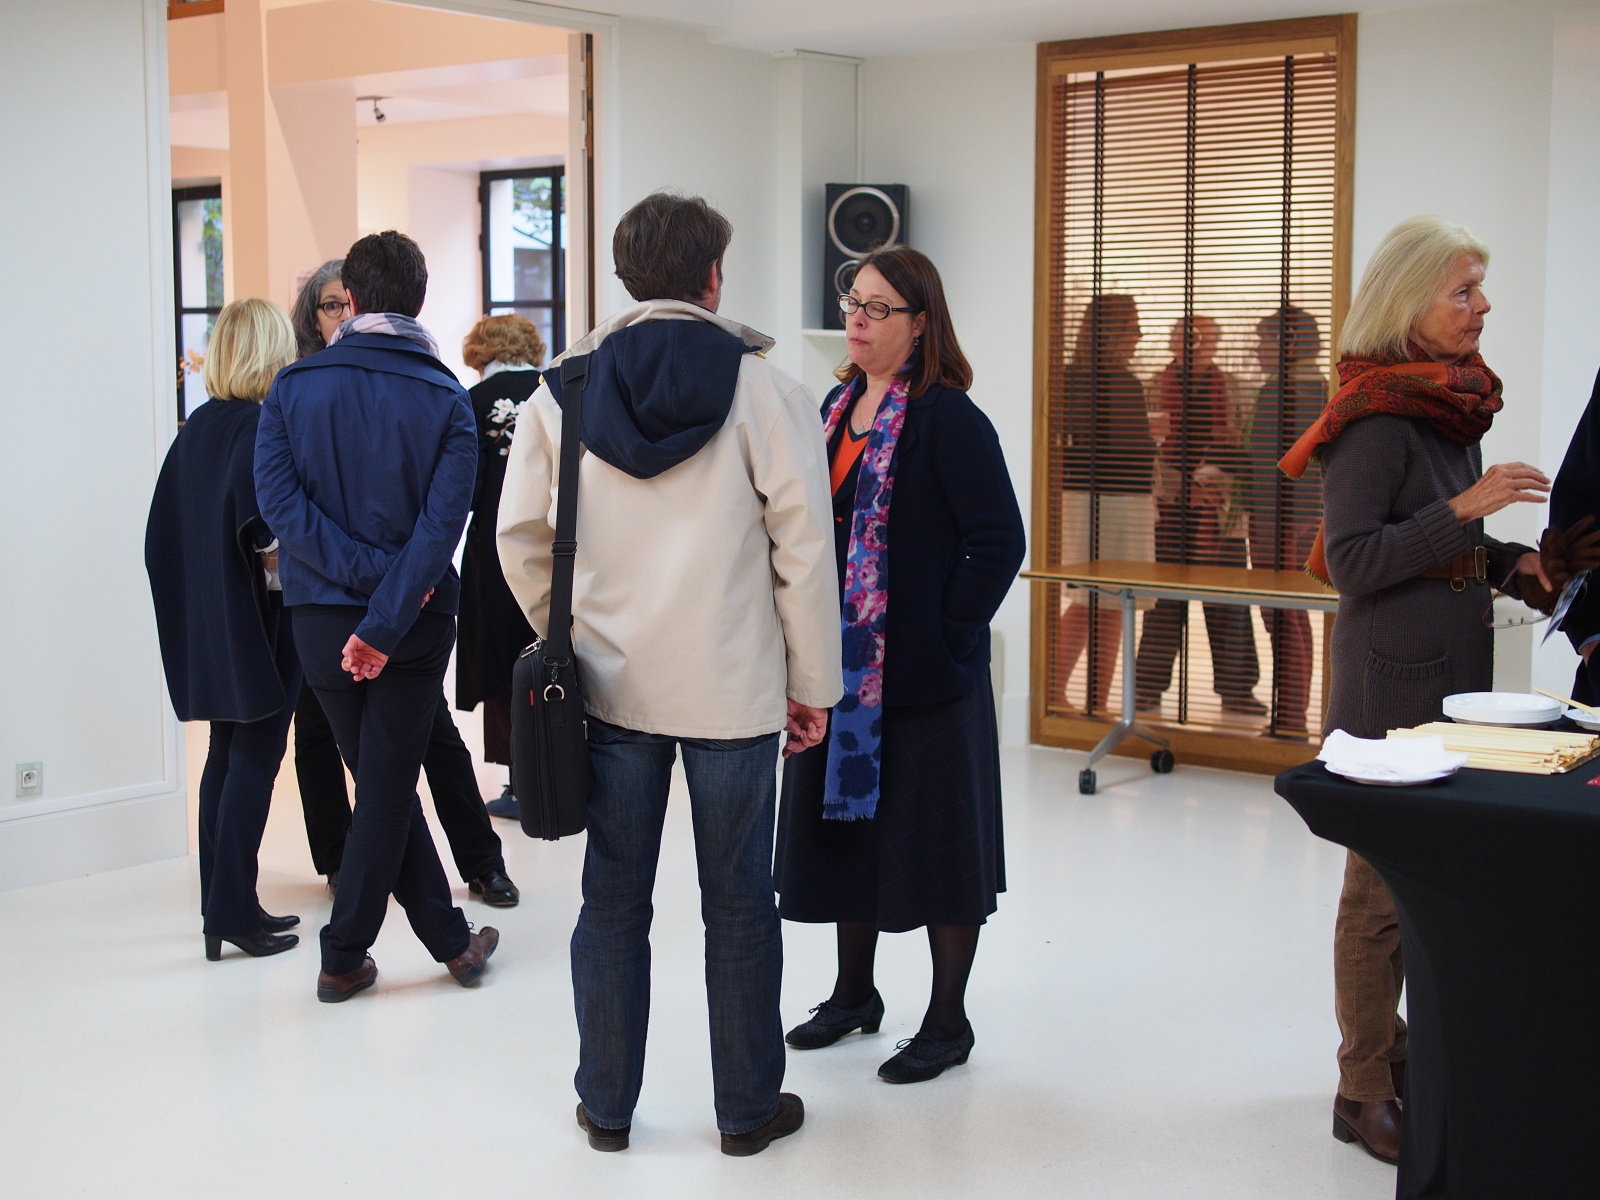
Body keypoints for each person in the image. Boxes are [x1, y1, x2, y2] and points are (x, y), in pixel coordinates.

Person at [497, 192, 842, 1155]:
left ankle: (606, 1108)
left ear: (625, 277)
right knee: (740, 904)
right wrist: (812, 682)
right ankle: (746, 1113)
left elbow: (519, 538)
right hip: (735, 688)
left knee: (613, 900)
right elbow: (805, 552)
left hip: (610, 690)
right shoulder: (768, 393)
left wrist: (572, 634)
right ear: (712, 278)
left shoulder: (563, 393)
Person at [1278, 215, 1549, 1165]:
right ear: (1409, 301)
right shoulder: (1373, 418)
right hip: (1390, 690)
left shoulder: (1446, 404)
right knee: (1378, 899)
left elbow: (1441, 541)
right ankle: (1362, 1092)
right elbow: (1354, 562)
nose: (1482, 306)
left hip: (1451, 681)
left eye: (1480, 289)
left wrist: (1517, 564)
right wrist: (1468, 508)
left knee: (1427, 887)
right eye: (1462, 291)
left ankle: (1401, 1059)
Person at [774, 246, 1025, 1084]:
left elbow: (999, 541)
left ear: (921, 325)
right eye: (854, 300)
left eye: (880, 307)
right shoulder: (834, 408)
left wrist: (946, 633)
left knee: (940, 852)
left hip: (925, 683)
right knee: (851, 838)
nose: (858, 317)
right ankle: (855, 995)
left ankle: (948, 1021)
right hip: (841, 675)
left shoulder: (949, 418)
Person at [256, 230, 498, 1003]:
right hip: (412, 624)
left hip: (322, 621)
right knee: (388, 786)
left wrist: (363, 595)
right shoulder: (446, 396)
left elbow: (282, 510)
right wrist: (388, 606)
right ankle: (346, 955)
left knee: (384, 781)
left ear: (351, 299)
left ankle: (442, 944)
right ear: (419, 302)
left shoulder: (292, 388)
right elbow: (442, 528)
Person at [286, 263, 520, 908]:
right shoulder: (299, 388)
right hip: (335, 602)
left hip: (403, 603)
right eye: (329, 307)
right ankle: (345, 866)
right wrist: (385, 577)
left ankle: (477, 864)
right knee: (329, 743)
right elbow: (287, 508)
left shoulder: (428, 390)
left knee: (428, 744)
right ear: (313, 317)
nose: (342, 315)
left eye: (345, 303)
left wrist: (391, 587)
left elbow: (441, 513)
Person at [145, 298, 303, 961]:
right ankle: (234, 910)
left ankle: (224, 904)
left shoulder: (198, 429)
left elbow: (162, 534)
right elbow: (268, 535)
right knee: (257, 757)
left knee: (225, 752)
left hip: (209, 620)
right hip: (257, 621)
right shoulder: (258, 426)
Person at [1133, 315, 1262, 716]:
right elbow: (1141, 452)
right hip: (1167, 510)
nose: (1195, 343)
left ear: (1216, 343)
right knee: (1162, 604)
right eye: (1185, 336)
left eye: (1204, 337)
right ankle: (1146, 689)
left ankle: (1237, 691)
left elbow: (1250, 449)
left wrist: (1214, 484)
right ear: (1172, 341)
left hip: (1220, 511)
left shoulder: (1237, 389)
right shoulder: (1150, 388)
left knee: (1229, 602)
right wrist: (1182, 489)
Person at [456, 315, 544, 821]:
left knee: (502, 658)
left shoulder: (473, 402)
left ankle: (518, 782)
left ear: (480, 350)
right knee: (553, 651)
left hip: (494, 549)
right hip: (555, 544)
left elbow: (466, 489)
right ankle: (561, 773)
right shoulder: (554, 392)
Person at [1054, 294, 1156, 713]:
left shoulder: (1071, 379)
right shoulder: (1114, 382)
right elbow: (1127, 449)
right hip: (1113, 503)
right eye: (1132, 327)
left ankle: (1090, 704)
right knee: (1101, 605)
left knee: (1106, 605)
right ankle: (1071, 700)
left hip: (1098, 502)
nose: (1139, 336)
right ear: (1110, 332)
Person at [1242, 306, 1329, 737]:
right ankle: (1291, 713)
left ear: (1289, 342)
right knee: (1289, 615)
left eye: (1264, 340)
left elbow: (1279, 461)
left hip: (1282, 518)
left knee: (1282, 615)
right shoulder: (1311, 385)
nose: (1258, 349)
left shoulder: (1292, 389)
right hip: (1287, 515)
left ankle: (1291, 718)